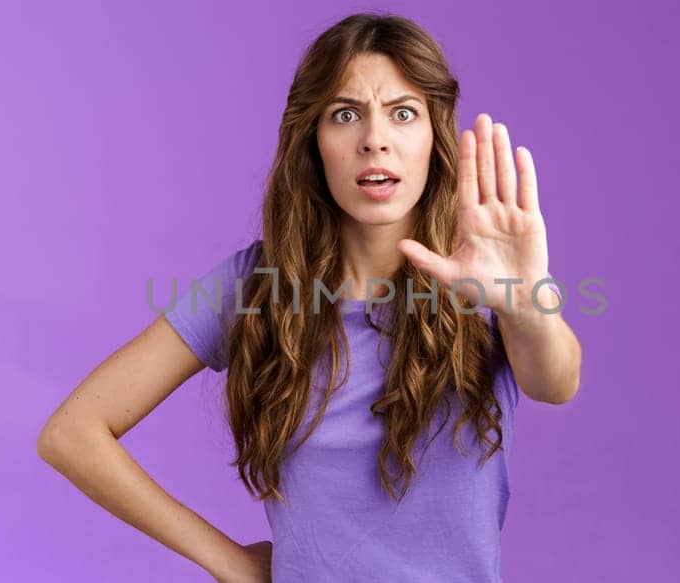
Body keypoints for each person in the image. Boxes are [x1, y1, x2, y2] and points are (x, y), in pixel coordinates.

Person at [38, 13, 582, 582]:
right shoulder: (255, 285)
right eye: (346, 114)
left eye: (403, 113)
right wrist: (229, 561)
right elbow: (72, 434)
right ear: (314, 139)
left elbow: (556, 382)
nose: (375, 139)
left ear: (434, 137)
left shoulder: (482, 272)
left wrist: (524, 304)